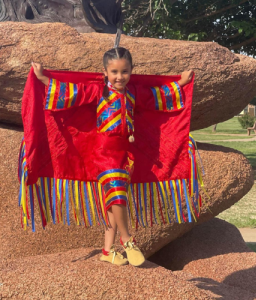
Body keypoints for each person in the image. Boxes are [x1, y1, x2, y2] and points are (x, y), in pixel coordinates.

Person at [30, 47, 193, 267]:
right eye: (114, 71)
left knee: (112, 204)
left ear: (131, 71)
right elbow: (71, 92)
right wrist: (42, 78)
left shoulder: (133, 93)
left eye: (124, 71)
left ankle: (107, 250)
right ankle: (127, 240)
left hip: (126, 154)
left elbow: (157, 95)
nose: (119, 76)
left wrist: (181, 83)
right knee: (118, 195)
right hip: (104, 153)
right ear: (105, 72)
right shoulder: (97, 91)